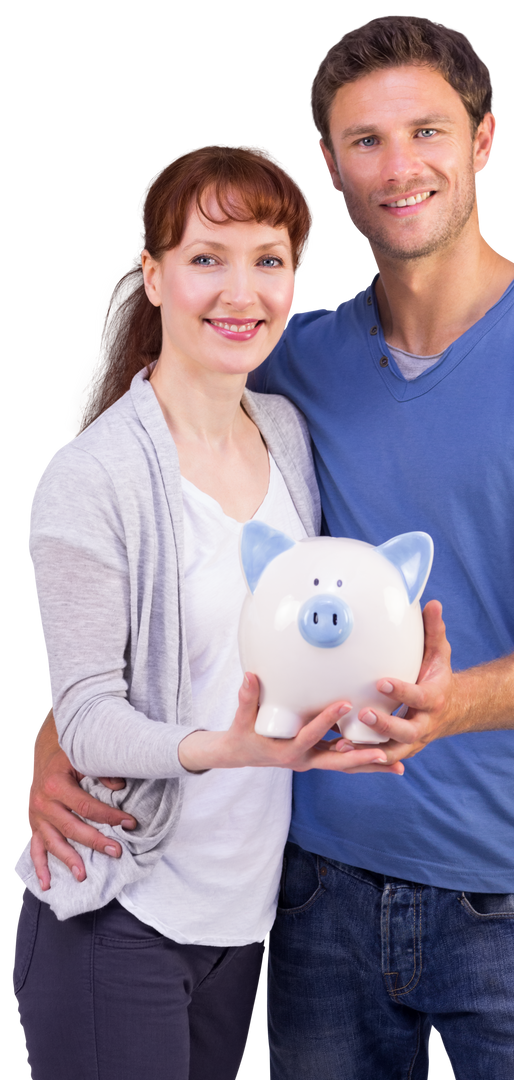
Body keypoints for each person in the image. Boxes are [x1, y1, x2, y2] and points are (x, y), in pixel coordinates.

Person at [22, 13, 514, 1080]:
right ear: (330, 164)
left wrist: (452, 702)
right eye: (365, 141)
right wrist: (65, 732)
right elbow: (165, 547)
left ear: (484, 142)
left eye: (427, 131)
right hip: (309, 889)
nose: (399, 166)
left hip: (512, 894)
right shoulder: (289, 361)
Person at [11, 140, 405, 1080]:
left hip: (242, 917)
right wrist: (224, 748)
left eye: (268, 260)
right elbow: (90, 716)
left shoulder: (285, 432)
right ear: (150, 275)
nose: (242, 292)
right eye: (205, 259)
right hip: (118, 911)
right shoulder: (89, 480)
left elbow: (298, 632)